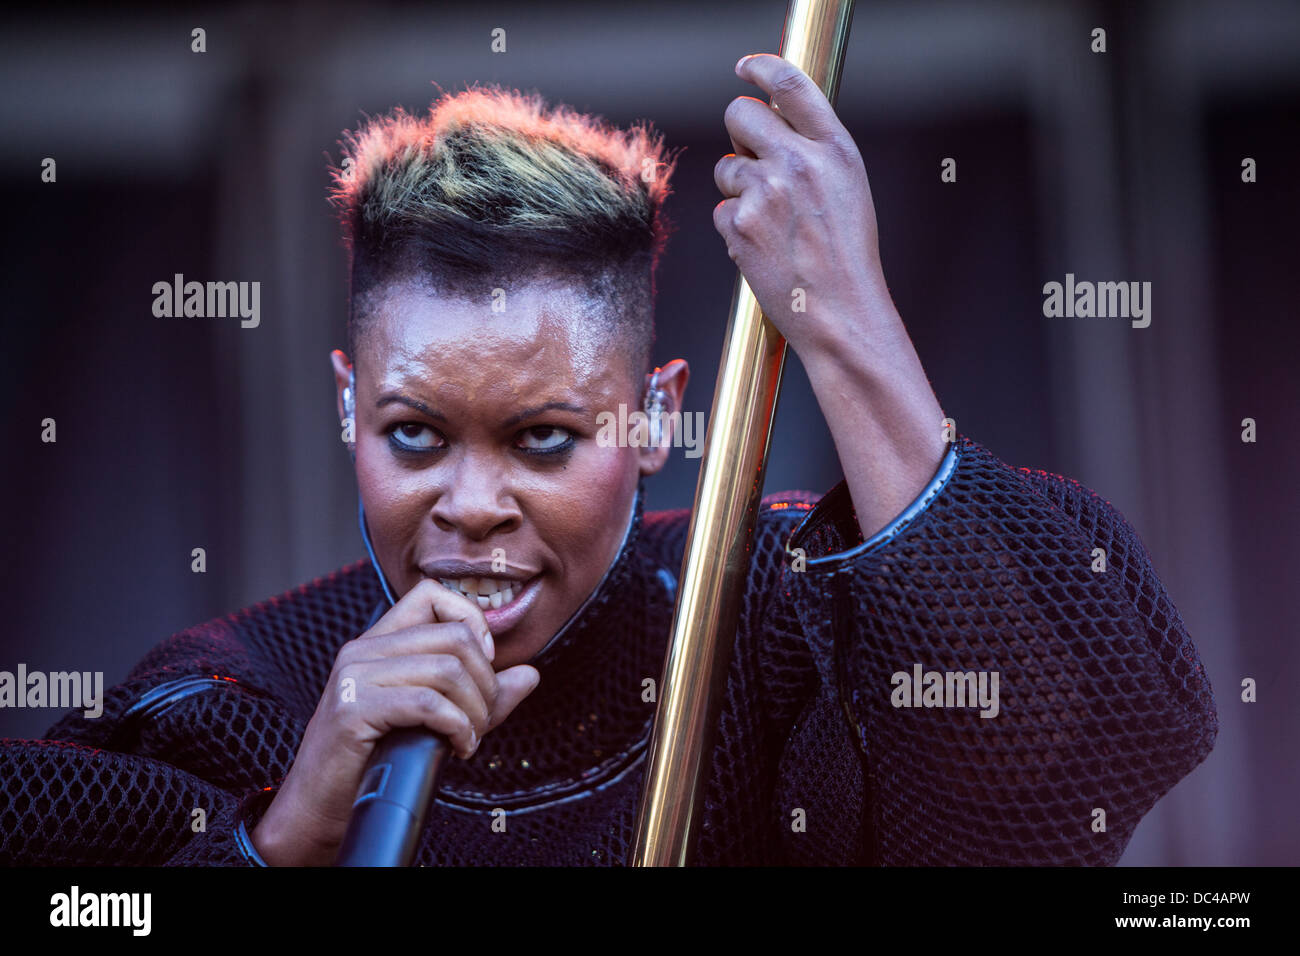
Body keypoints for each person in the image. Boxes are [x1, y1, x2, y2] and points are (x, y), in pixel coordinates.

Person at [0, 55, 1216, 867]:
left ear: (654, 418)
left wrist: (848, 323)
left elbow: (1067, 742)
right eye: (413, 433)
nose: (471, 507)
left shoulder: (782, 615)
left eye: (544, 438)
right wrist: (286, 834)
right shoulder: (229, 702)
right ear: (345, 404)